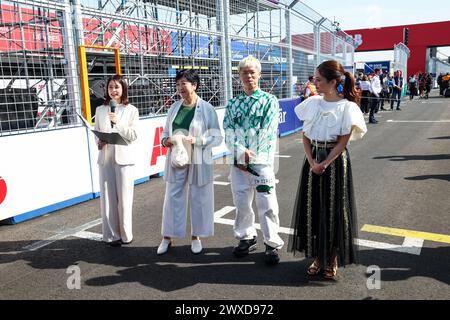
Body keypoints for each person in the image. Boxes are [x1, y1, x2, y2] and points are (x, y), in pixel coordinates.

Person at [288, 60, 367, 280]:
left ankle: (331, 258)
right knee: (313, 207)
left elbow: (343, 141)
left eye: (319, 79)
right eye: (315, 78)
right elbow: (305, 135)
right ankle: (318, 257)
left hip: (334, 162)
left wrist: (325, 163)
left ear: (333, 82)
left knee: (334, 210)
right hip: (313, 160)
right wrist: (312, 161)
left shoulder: (347, 107)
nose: (315, 82)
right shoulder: (312, 103)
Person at [223, 55, 284, 265]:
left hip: (262, 163)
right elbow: (228, 130)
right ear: (238, 75)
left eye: (252, 72)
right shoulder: (233, 104)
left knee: (267, 204)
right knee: (241, 203)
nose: (248, 76)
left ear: (259, 74)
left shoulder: (269, 101)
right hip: (238, 163)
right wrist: (240, 152)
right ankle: (246, 237)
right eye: (244, 72)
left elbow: (268, 131)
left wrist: (250, 155)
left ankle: (272, 242)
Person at [157, 69, 222, 255]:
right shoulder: (174, 107)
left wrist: (199, 141)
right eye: (177, 84)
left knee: (199, 198)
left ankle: (196, 237)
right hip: (176, 158)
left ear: (194, 85)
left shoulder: (207, 109)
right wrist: (165, 141)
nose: (180, 88)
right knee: (172, 197)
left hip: (199, 159)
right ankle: (167, 237)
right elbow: (164, 133)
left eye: (183, 83)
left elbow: (217, 137)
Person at [94, 74, 139, 247]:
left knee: (125, 199)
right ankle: (112, 235)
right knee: (107, 199)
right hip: (105, 157)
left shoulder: (131, 110)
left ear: (123, 89)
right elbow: (97, 131)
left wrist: (118, 122)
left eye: (117, 87)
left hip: (124, 159)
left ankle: (126, 235)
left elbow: (133, 135)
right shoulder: (100, 110)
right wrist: (99, 141)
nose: (113, 90)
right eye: (111, 87)